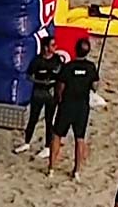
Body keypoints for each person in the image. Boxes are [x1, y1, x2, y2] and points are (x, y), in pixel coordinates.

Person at [48, 38, 99, 180]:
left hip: (67, 105)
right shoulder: (91, 67)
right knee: (80, 138)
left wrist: (58, 99)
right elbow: (95, 87)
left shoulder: (68, 67)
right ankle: (76, 171)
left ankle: (51, 168)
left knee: (57, 135)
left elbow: (60, 86)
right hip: (82, 107)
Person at [14, 36, 62, 158]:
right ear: (46, 48)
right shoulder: (37, 61)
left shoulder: (57, 59)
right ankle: (26, 143)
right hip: (38, 93)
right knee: (33, 119)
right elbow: (29, 76)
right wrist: (40, 82)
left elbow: (61, 76)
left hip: (51, 94)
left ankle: (47, 147)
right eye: (52, 45)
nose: (55, 47)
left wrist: (56, 88)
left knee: (49, 121)